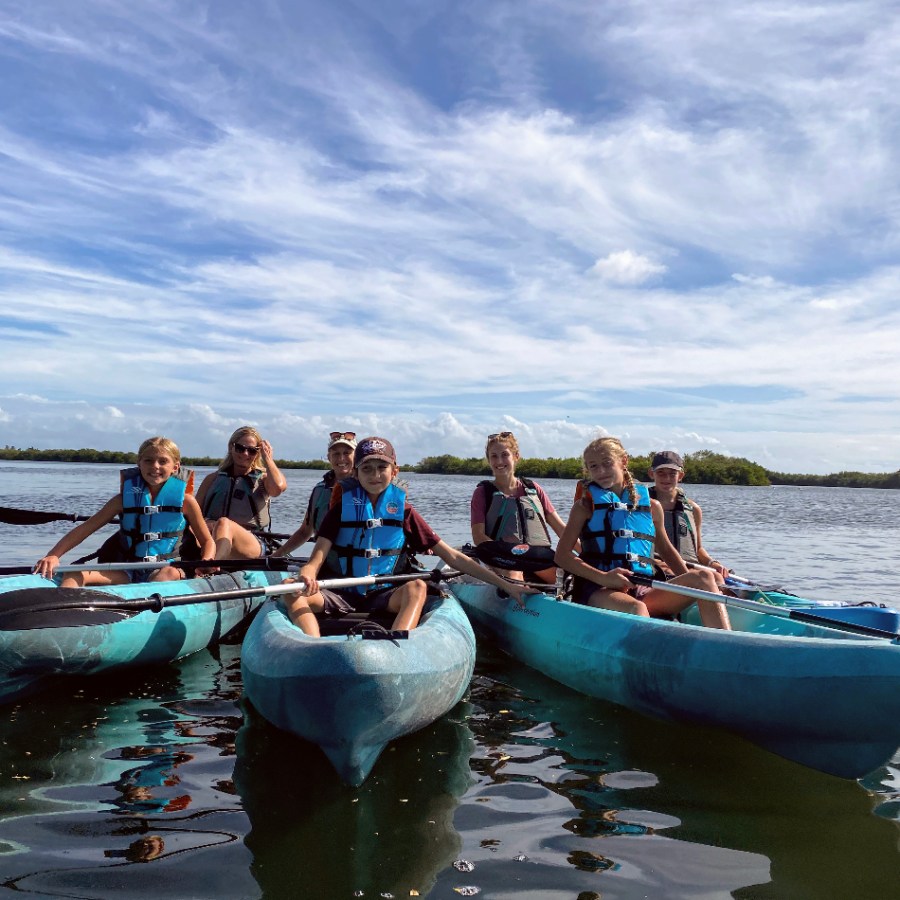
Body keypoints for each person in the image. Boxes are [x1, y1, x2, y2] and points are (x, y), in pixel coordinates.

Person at [285, 436, 531, 636]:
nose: (375, 475)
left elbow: (453, 557)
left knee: (416, 587)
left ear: (395, 471)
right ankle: (311, 644)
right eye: (367, 468)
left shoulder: (404, 511)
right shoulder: (341, 508)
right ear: (356, 473)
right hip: (341, 592)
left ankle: (397, 644)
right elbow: (317, 557)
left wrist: (505, 584)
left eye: (382, 467)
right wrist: (307, 572)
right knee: (290, 588)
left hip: (385, 594)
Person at [555, 437, 731, 628]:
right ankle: (653, 653)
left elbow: (666, 550)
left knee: (705, 578)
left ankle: (728, 645)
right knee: (637, 609)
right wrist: (604, 577)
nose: (601, 472)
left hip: (642, 585)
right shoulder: (585, 506)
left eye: (607, 464)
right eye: (594, 466)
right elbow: (562, 556)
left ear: (623, 461)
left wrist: (690, 586)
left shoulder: (653, 507)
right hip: (600, 588)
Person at [34, 437, 215, 587]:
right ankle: (65, 619)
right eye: (148, 461)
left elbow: (207, 540)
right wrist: (54, 555)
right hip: (128, 568)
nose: (155, 466)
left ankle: (144, 618)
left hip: (168, 567)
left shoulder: (186, 502)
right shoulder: (121, 501)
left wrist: (207, 560)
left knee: (165, 575)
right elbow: (85, 529)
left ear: (175, 467)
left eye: (163, 461)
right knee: (76, 574)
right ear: (139, 464)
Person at [470, 430, 568, 582]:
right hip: (502, 557)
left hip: (534, 556)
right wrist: (508, 554)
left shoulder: (533, 489)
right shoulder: (483, 492)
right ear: (488, 460)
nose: (499, 461)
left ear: (516, 457)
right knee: (515, 575)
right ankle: (518, 596)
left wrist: (588, 556)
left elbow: (562, 530)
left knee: (567, 580)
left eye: (505, 455)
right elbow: (478, 537)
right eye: (494, 456)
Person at [195, 426, 287, 560]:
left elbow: (278, 488)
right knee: (212, 526)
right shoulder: (212, 479)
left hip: (252, 540)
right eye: (240, 448)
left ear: (258, 453)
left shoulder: (263, 480)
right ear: (231, 447)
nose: (245, 454)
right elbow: (192, 515)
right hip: (211, 538)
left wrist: (268, 459)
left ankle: (212, 565)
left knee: (224, 523)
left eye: (252, 451)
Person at [646, 450, 729, 581]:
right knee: (705, 579)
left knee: (717, 577)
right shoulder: (643, 506)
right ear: (652, 474)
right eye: (661, 473)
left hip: (689, 566)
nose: (666, 478)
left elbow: (698, 549)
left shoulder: (693, 509)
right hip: (658, 568)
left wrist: (712, 563)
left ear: (680, 476)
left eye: (672, 474)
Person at [273, 431, 357, 557]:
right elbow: (305, 532)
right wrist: (276, 555)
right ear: (329, 457)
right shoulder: (319, 490)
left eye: (347, 453)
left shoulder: (365, 490)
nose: (341, 458)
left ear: (356, 457)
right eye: (336, 454)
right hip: (323, 564)